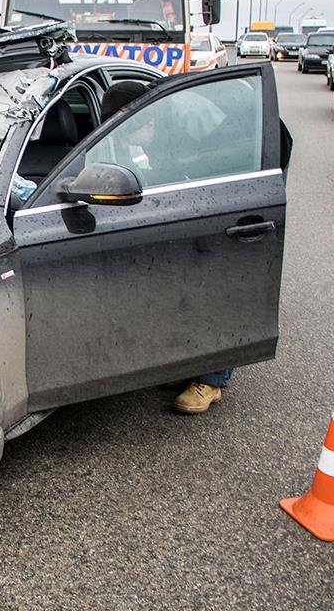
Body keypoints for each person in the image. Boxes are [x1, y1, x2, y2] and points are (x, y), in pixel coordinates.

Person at [99, 78, 235, 415]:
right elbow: (164, 165)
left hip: (242, 171)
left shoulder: (188, 124)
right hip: (201, 168)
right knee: (183, 277)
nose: (128, 142)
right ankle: (191, 363)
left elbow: (219, 172)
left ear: (143, 119)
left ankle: (213, 379)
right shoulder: (155, 120)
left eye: (127, 134)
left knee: (215, 278)